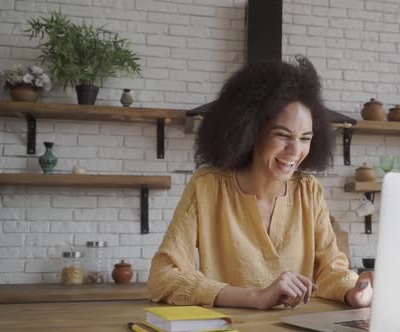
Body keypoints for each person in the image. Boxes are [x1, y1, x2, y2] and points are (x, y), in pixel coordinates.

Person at [148, 56, 373, 310]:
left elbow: (331, 270)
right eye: (282, 135)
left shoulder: (308, 191)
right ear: (250, 131)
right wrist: (256, 297)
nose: (295, 151)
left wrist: (353, 290)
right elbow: (162, 277)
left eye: (305, 138)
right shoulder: (207, 187)